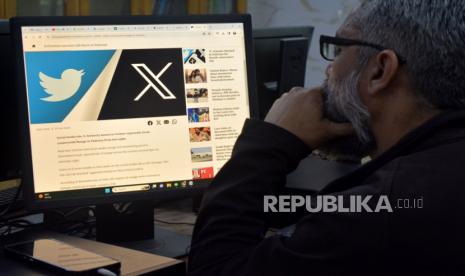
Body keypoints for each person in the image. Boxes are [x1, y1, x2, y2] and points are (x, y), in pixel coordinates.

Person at [188, 1, 465, 275]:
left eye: (340, 49)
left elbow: (213, 268)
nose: (329, 70)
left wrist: (271, 142)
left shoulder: (381, 213)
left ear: (380, 70)